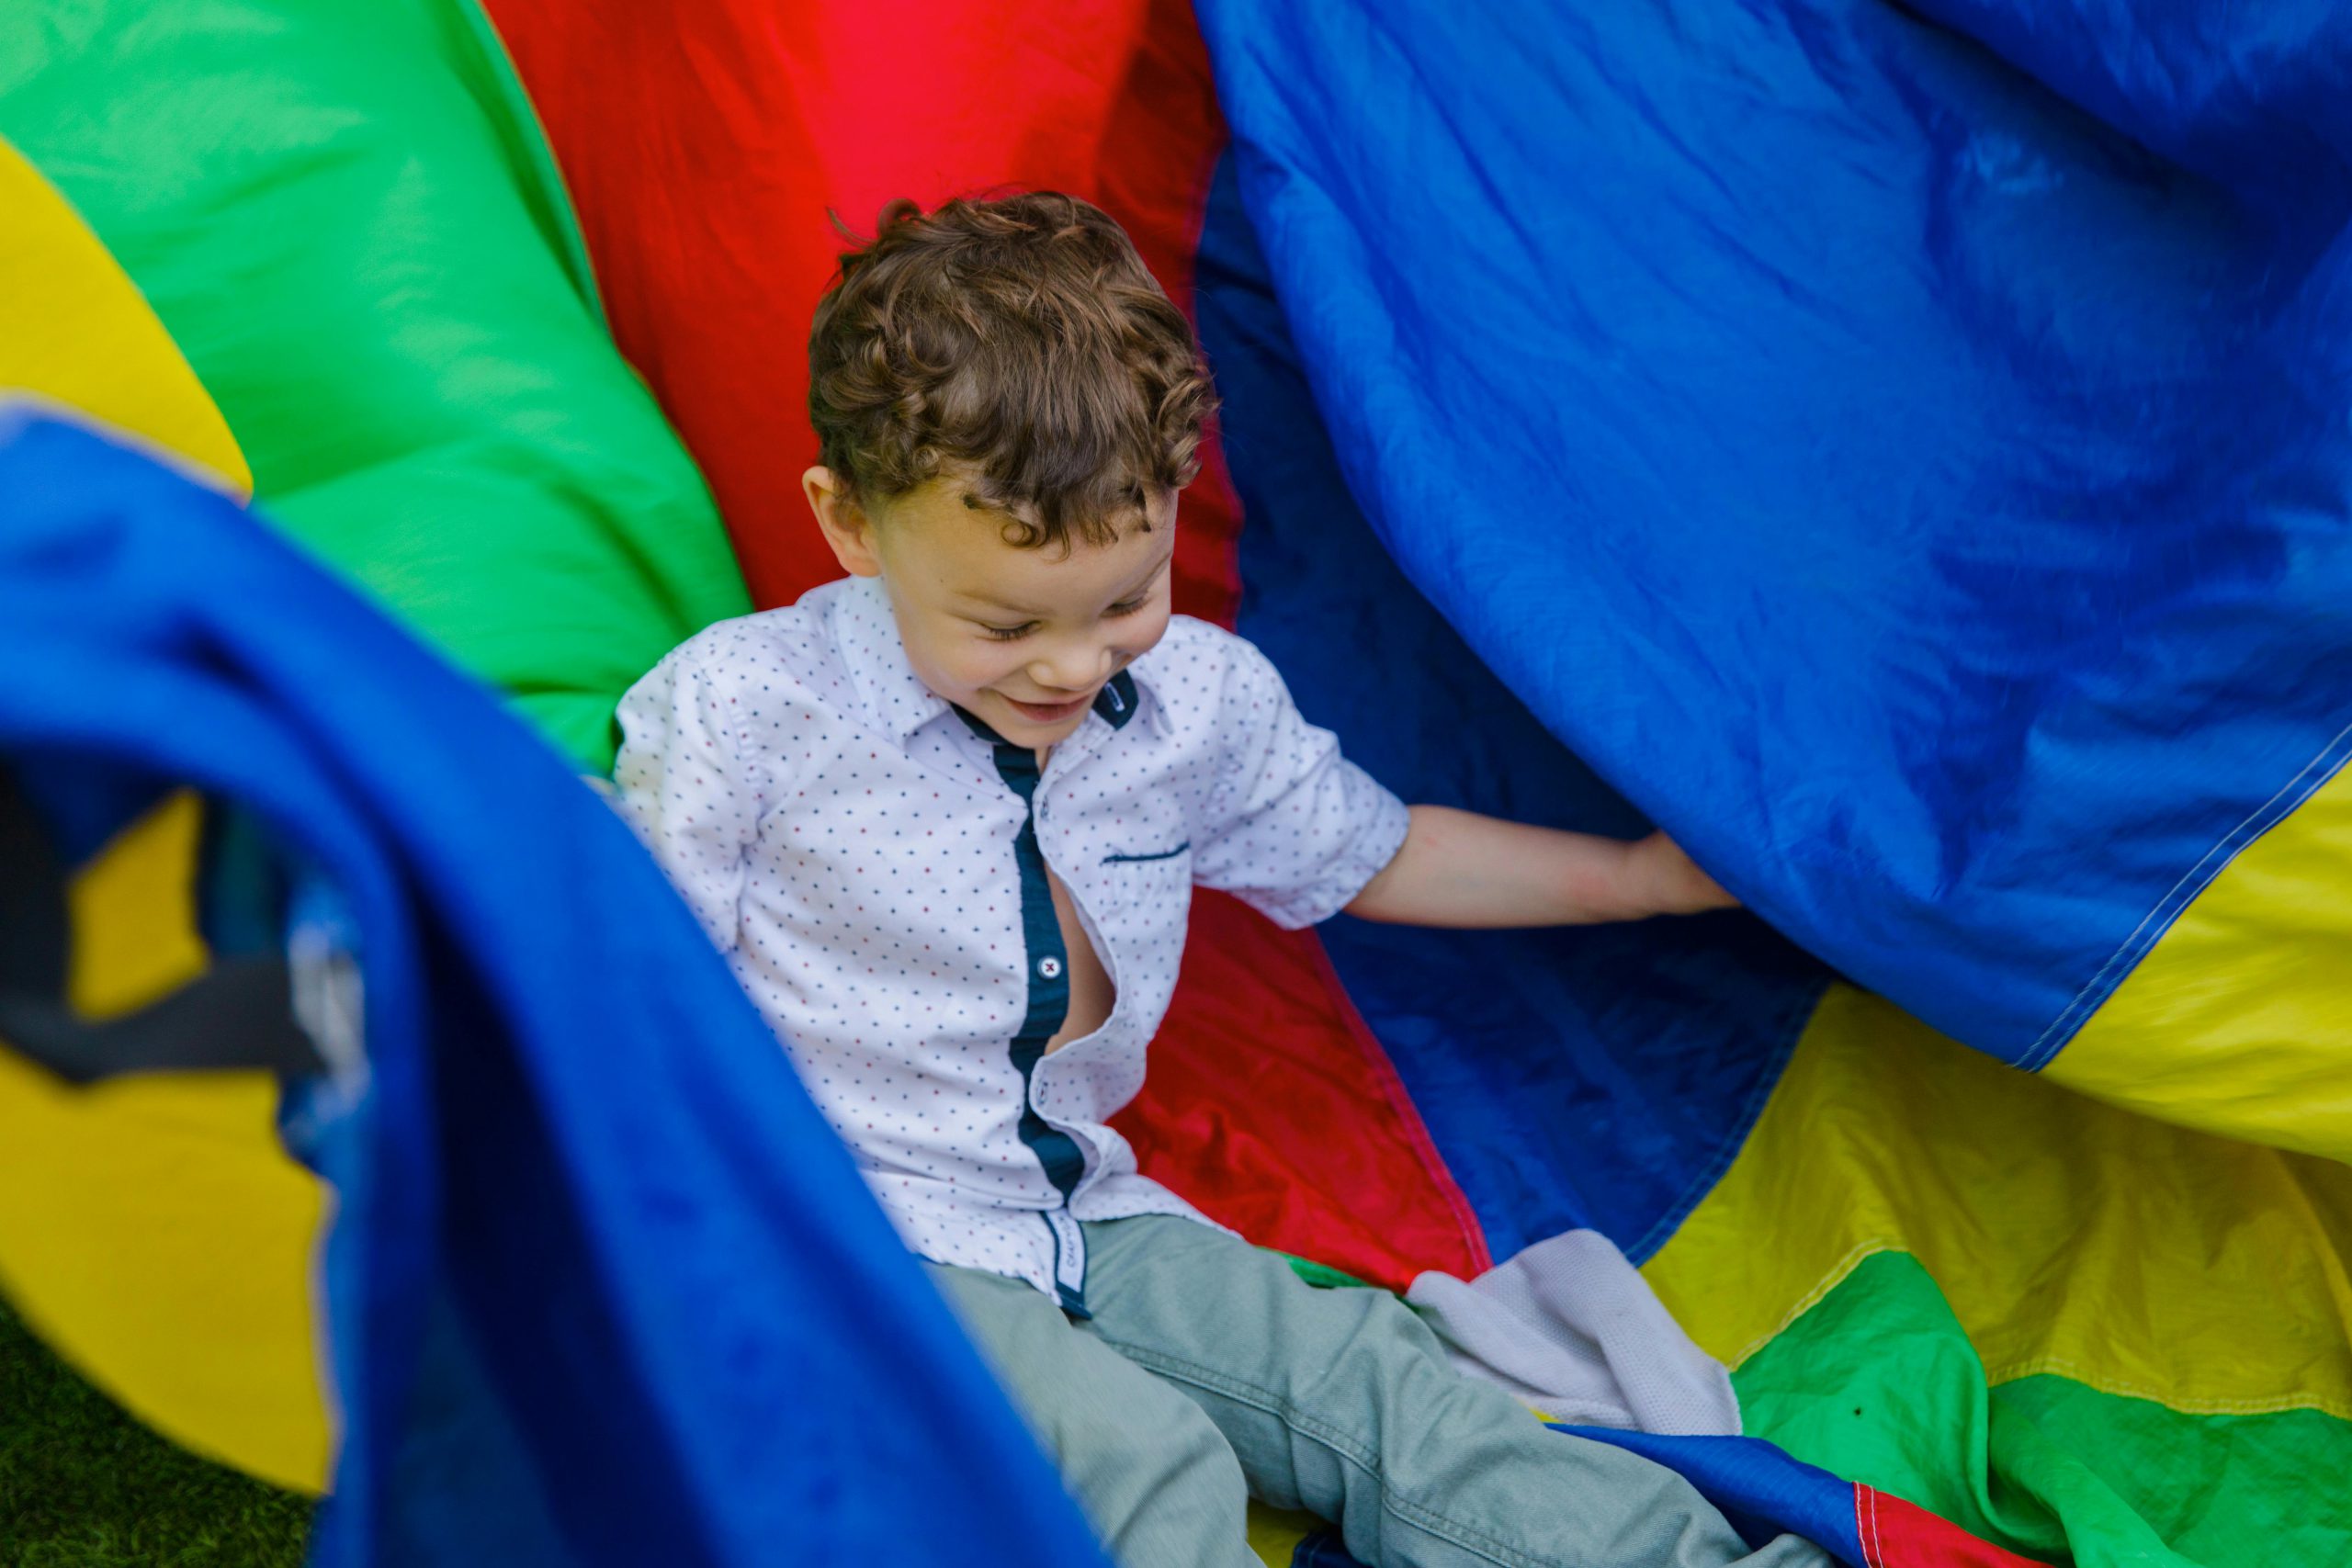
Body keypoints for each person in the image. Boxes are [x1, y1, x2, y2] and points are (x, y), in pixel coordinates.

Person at [615, 191, 1826, 1568]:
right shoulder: (743, 709)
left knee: (1379, 1382)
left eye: (1123, 601)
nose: (1072, 666)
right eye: (1007, 621)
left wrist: (1635, 881)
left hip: (1084, 1210)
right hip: (853, 1227)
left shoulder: (1197, 704)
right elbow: (628, 988)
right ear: (849, 525)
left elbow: (1379, 851)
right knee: (1139, 1461)